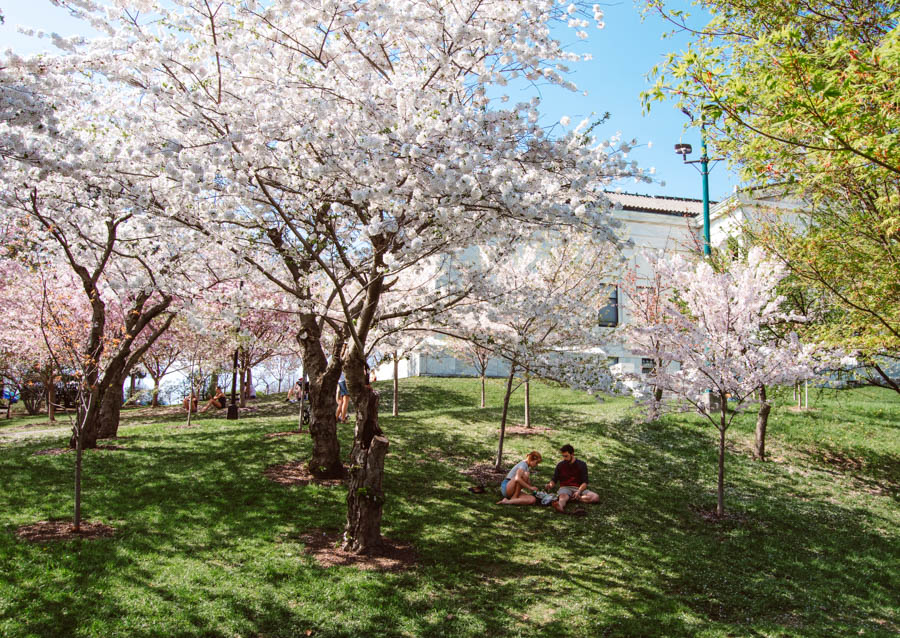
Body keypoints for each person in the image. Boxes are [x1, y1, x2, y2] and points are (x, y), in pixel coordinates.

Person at [545, 444, 600, 513]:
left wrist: (578, 492)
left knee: (595, 497)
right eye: (563, 456)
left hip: (578, 488)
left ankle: (573, 498)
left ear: (572, 454)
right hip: (565, 488)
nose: (564, 458)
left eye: (566, 456)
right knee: (563, 498)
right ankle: (560, 506)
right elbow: (554, 479)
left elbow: (585, 482)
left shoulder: (582, 464)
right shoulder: (560, 465)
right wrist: (550, 485)